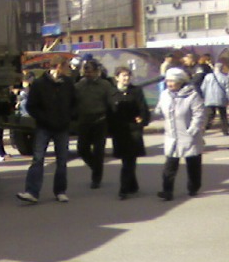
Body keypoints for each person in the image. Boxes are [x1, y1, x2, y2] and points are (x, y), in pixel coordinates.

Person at [16, 54, 76, 204]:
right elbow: (31, 106)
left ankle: (60, 191)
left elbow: (75, 103)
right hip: (44, 127)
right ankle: (32, 192)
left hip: (62, 127)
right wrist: (43, 118)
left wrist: (69, 117)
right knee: (38, 159)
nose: (68, 69)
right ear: (58, 67)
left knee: (62, 160)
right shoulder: (39, 84)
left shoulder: (68, 84)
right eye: (66, 66)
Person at [154, 67, 206, 201]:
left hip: (188, 135)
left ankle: (193, 187)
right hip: (172, 136)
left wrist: (193, 130)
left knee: (193, 164)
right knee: (169, 166)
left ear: (181, 81)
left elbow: (199, 114)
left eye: (173, 81)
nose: (169, 84)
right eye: (168, 81)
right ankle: (167, 191)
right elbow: (159, 108)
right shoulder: (165, 94)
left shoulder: (192, 95)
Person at [110, 67, 150, 200]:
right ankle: (133, 185)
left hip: (133, 130)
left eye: (128, 76)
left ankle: (123, 189)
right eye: (123, 76)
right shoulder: (111, 93)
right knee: (126, 160)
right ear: (117, 77)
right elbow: (108, 112)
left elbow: (143, 109)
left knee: (129, 160)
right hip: (119, 131)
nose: (126, 78)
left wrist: (141, 122)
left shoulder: (136, 91)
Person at [74, 59, 115, 189]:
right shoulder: (79, 86)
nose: (87, 74)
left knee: (98, 151)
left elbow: (111, 103)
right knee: (82, 149)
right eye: (85, 71)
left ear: (97, 71)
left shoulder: (105, 85)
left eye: (90, 71)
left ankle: (96, 178)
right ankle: (96, 167)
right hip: (84, 121)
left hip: (100, 121)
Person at [201, 57, 229, 135]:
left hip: (209, 98)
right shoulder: (225, 78)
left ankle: (204, 128)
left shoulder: (208, 77)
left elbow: (203, 87)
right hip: (221, 99)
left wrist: (204, 96)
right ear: (221, 68)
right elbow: (227, 90)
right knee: (223, 115)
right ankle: (225, 130)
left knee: (209, 115)